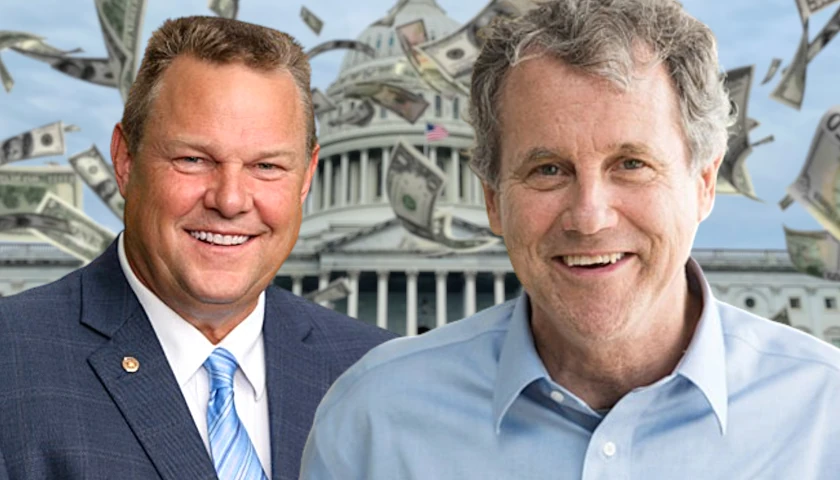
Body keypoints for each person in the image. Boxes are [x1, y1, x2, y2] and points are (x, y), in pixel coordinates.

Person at [300, 0, 840, 478]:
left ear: (704, 183)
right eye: (548, 170)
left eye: (632, 164)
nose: (589, 217)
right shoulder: (370, 417)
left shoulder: (825, 415)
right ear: (491, 198)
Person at [0, 16, 394, 480]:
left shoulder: (378, 374)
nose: (229, 200)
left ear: (307, 176)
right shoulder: (12, 362)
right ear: (125, 159)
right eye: (193, 159)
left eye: (266, 166)